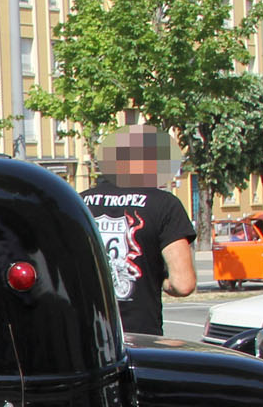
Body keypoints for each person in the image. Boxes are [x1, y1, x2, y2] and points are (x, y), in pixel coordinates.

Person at [81, 127, 196, 337]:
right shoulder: (165, 205)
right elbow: (183, 284)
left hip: (86, 335)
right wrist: (156, 278)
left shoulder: (78, 201)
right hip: (140, 335)